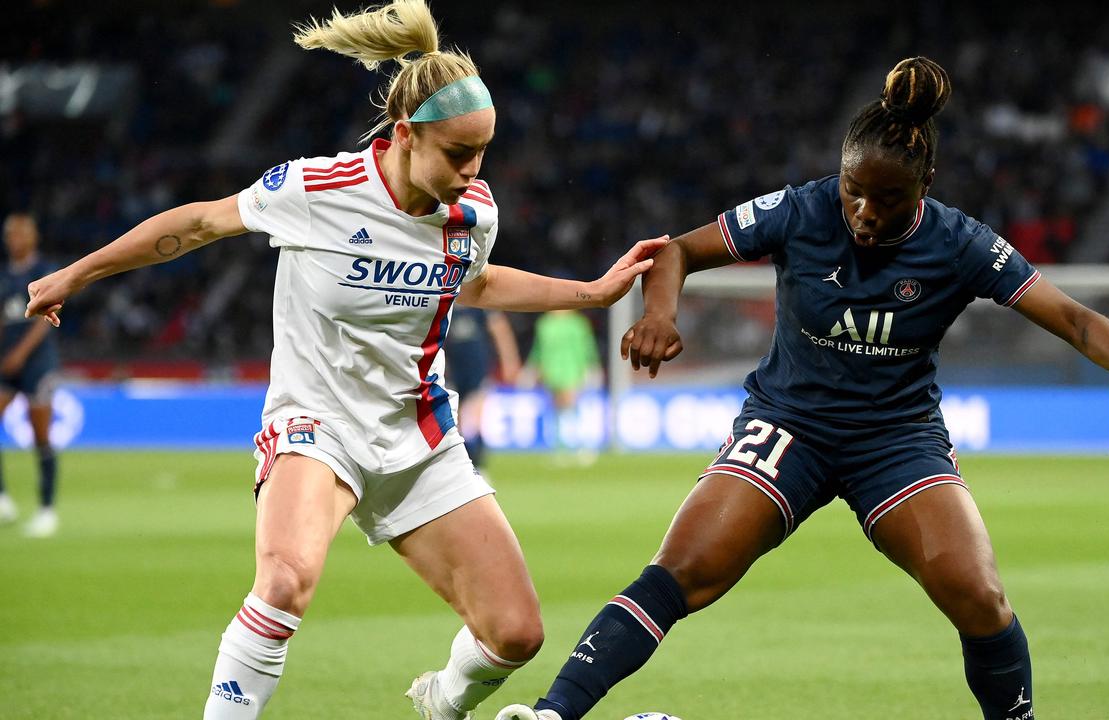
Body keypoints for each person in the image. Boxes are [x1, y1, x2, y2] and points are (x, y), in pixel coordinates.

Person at [496, 57, 1109, 720]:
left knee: (979, 596)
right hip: (790, 424)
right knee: (684, 571)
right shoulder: (801, 210)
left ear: (925, 188)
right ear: (837, 175)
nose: (866, 213)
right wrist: (659, 312)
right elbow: (678, 249)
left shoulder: (960, 243)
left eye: (889, 200)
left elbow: (1073, 316)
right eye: (854, 192)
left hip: (895, 439)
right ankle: (553, 714)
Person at [24, 2, 665, 718]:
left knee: (516, 633)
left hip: (418, 435)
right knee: (286, 580)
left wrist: (592, 291)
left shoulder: (473, 212)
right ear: (404, 137)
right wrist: (77, 274)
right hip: (317, 424)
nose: (472, 169)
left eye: (482, 151)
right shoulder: (316, 190)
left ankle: (441, 706)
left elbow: (475, 282)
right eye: (458, 152)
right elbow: (201, 221)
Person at [0, 212, 62, 538]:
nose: (15, 240)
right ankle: (2, 499)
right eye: (11, 234)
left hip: (37, 363)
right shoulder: (4, 277)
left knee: (40, 435)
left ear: (32, 238)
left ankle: (47, 510)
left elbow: (44, 321)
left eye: (21, 234)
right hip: (6, 363)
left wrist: (20, 354)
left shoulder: (44, 272)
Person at [445, 306, 520, 470]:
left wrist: (509, 360)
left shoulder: (478, 304)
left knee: (475, 417)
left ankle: (477, 465)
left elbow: (500, 329)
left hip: (478, 368)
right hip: (451, 369)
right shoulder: (445, 301)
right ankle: (463, 465)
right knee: (455, 422)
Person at [525, 309, 601, 462]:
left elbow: (587, 347)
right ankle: (562, 448)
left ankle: (580, 445)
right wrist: (532, 369)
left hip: (572, 369)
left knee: (571, 406)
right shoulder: (545, 324)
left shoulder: (577, 324)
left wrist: (592, 367)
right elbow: (538, 349)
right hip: (552, 370)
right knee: (558, 410)